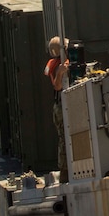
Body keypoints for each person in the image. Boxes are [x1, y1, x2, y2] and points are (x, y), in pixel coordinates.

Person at [45, 36, 69, 182]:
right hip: (61, 106)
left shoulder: (70, 61)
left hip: (70, 103)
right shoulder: (55, 66)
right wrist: (60, 72)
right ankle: (65, 172)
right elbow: (57, 86)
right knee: (64, 139)